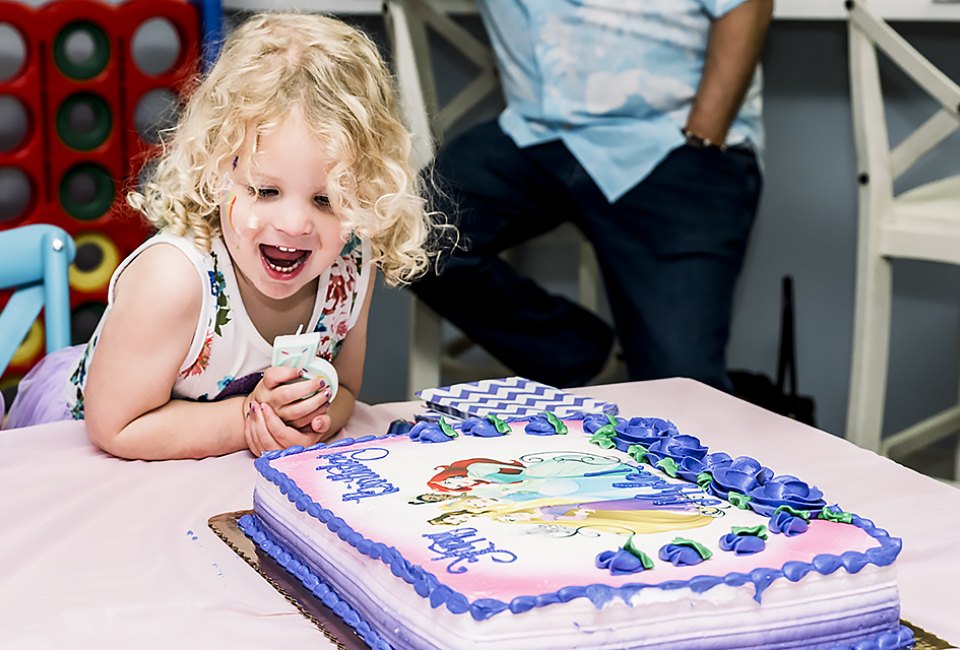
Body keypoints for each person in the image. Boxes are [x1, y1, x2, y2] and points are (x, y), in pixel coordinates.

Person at [3, 14, 434, 459]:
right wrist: (250, 420)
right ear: (215, 167)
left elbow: (343, 386)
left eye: (326, 200)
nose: (294, 224)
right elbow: (116, 427)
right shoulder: (173, 279)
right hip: (80, 456)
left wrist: (307, 419)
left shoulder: (349, 263)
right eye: (266, 190)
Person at [411, 0, 773, 391]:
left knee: (681, 387)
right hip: (536, 130)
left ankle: (638, 377)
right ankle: (586, 360)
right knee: (405, 227)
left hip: (670, 139)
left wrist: (705, 135)